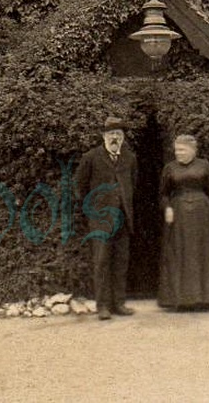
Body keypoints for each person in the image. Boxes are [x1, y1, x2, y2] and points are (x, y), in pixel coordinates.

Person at [74, 116, 138, 320]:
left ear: (123, 137)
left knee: (121, 262)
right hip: (100, 221)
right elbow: (79, 186)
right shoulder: (91, 157)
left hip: (123, 219)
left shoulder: (130, 158)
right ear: (103, 136)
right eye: (111, 134)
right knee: (101, 262)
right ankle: (103, 306)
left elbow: (132, 185)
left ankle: (118, 303)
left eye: (118, 134)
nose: (114, 138)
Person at [157, 134, 209, 310]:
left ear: (193, 150)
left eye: (182, 150)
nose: (178, 153)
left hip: (202, 214)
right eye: (177, 150)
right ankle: (179, 299)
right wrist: (167, 208)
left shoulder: (204, 165)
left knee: (201, 253)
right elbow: (163, 194)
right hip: (178, 214)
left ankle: (205, 298)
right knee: (180, 253)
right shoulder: (170, 168)